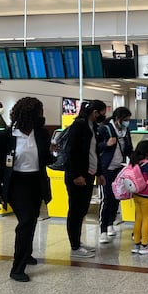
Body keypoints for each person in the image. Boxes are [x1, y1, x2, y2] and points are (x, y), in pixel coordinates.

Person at [0, 97, 53, 282]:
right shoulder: (6, 136)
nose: (41, 117)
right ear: (28, 115)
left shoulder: (40, 134)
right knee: (25, 222)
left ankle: (27, 254)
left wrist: (54, 153)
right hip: (17, 183)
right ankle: (17, 268)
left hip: (36, 182)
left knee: (31, 220)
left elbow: (45, 159)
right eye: (38, 113)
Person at [64, 100, 107, 258]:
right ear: (95, 112)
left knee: (82, 210)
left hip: (89, 174)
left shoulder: (92, 126)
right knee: (75, 211)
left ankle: (77, 242)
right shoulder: (79, 125)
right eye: (102, 113)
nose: (103, 116)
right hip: (78, 177)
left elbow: (93, 152)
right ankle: (74, 247)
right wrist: (76, 175)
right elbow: (72, 152)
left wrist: (99, 173)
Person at [97, 107, 133, 244]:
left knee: (116, 197)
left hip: (119, 168)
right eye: (125, 120)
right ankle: (103, 230)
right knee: (106, 198)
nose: (127, 123)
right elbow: (96, 147)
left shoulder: (125, 131)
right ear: (117, 119)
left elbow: (128, 149)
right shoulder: (105, 129)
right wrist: (106, 144)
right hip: (106, 169)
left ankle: (111, 223)